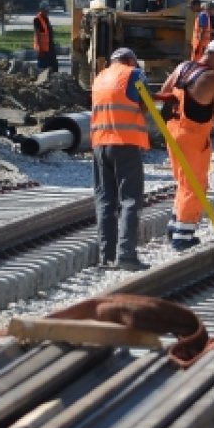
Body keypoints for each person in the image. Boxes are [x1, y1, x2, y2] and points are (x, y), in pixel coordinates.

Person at [158, 38, 214, 251]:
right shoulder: (213, 79)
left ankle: (175, 224)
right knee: (195, 184)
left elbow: (165, 92)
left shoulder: (183, 67)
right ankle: (183, 235)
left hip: (172, 130)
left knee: (182, 180)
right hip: (193, 136)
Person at [91, 47, 151, 272]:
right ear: (129, 60)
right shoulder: (133, 74)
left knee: (105, 200)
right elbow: (145, 104)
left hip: (99, 144)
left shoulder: (100, 77)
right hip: (124, 142)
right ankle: (126, 255)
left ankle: (106, 257)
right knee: (130, 200)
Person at [33, 0, 57, 71]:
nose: (48, 12)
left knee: (54, 66)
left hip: (50, 47)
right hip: (42, 49)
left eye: (48, 10)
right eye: (46, 10)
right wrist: (39, 48)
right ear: (42, 10)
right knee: (42, 68)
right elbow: (37, 34)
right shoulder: (37, 19)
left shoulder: (46, 18)